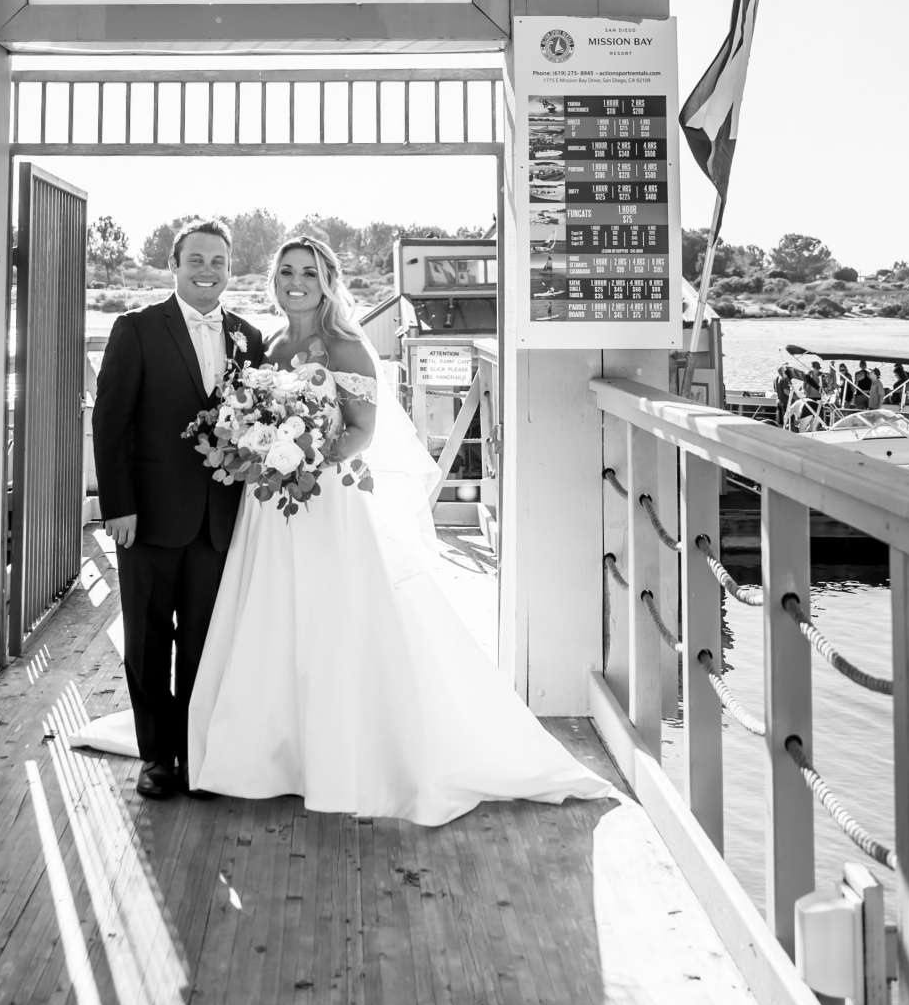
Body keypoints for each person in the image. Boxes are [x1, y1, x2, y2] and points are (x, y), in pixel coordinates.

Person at [187, 234, 612, 825]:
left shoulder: (347, 345)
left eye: (308, 271)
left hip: (324, 496)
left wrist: (303, 456)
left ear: (328, 279)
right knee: (270, 614)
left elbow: (361, 429)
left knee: (329, 621)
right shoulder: (271, 342)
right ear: (274, 278)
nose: (296, 281)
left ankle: (334, 755)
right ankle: (267, 748)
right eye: (286, 270)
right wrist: (262, 448)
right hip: (270, 505)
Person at [91, 219, 266, 800]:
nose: (207, 270)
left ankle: (195, 754)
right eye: (196, 259)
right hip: (147, 517)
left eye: (218, 260)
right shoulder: (136, 329)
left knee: (201, 640)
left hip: (219, 519)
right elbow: (110, 422)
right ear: (175, 264)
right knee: (146, 640)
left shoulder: (248, 337)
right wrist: (118, 505)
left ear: (229, 267)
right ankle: (156, 757)